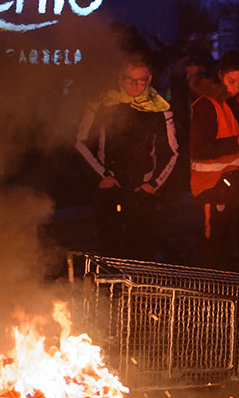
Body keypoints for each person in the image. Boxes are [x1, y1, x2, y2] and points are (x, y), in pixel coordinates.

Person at [75, 54, 179, 259]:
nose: (135, 85)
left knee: (141, 248)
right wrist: (102, 176)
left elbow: (172, 151)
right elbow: (81, 143)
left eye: (141, 80)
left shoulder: (160, 109)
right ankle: (109, 288)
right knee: (109, 246)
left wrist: (154, 184)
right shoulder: (102, 105)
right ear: (120, 78)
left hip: (142, 189)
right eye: (130, 80)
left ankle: (139, 289)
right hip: (110, 186)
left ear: (149, 79)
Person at [189, 50, 239, 269]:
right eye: (232, 81)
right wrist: (237, 143)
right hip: (211, 187)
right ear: (220, 76)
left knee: (229, 246)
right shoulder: (205, 105)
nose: (237, 87)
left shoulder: (238, 102)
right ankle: (207, 298)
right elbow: (199, 149)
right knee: (213, 247)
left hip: (234, 186)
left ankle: (227, 296)